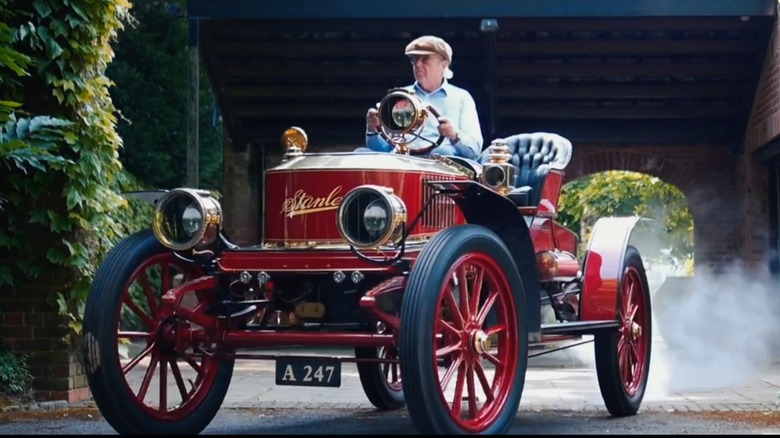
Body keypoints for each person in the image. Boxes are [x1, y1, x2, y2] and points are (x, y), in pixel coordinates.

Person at [357, 35, 483, 160]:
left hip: (439, 166)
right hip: (400, 160)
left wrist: (454, 135)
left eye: (425, 59)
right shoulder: (399, 96)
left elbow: (475, 152)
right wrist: (372, 129)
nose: (417, 64)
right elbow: (381, 150)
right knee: (359, 153)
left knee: (441, 151)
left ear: (444, 65)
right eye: (414, 59)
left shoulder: (461, 98)